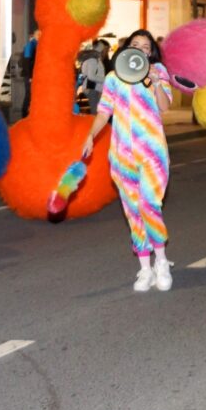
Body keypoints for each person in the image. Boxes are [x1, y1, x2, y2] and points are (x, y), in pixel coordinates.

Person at [82, 30, 174, 292]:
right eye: (135, 44)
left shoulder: (157, 72)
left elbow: (165, 107)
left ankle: (162, 262)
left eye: (146, 46)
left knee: (149, 205)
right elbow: (103, 112)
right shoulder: (114, 78)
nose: (141, 49)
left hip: (152, 154)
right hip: (122, 155)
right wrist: (90, 137)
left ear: (151, 52)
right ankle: (145, 269)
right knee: (133, 211)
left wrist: (156, 82)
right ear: (126, 48)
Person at [81, 39, 108, 115]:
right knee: (95, 112)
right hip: (92, 89)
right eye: (105, 50)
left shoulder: (94, 59)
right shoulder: (92, 60)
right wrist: (105, 79)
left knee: (96, 112)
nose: (106, 52)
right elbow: (91, 76)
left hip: (93, 88)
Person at [21, 29, 40, 118]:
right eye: (39, 34)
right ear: (35, 35)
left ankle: (29, 116)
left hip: (33, 76)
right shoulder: (31, 45)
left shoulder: (35, 45)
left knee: (32, 96)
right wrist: (30, 76)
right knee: (29, 96)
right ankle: (24, 116)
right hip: (30, 76)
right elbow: (27, 62)